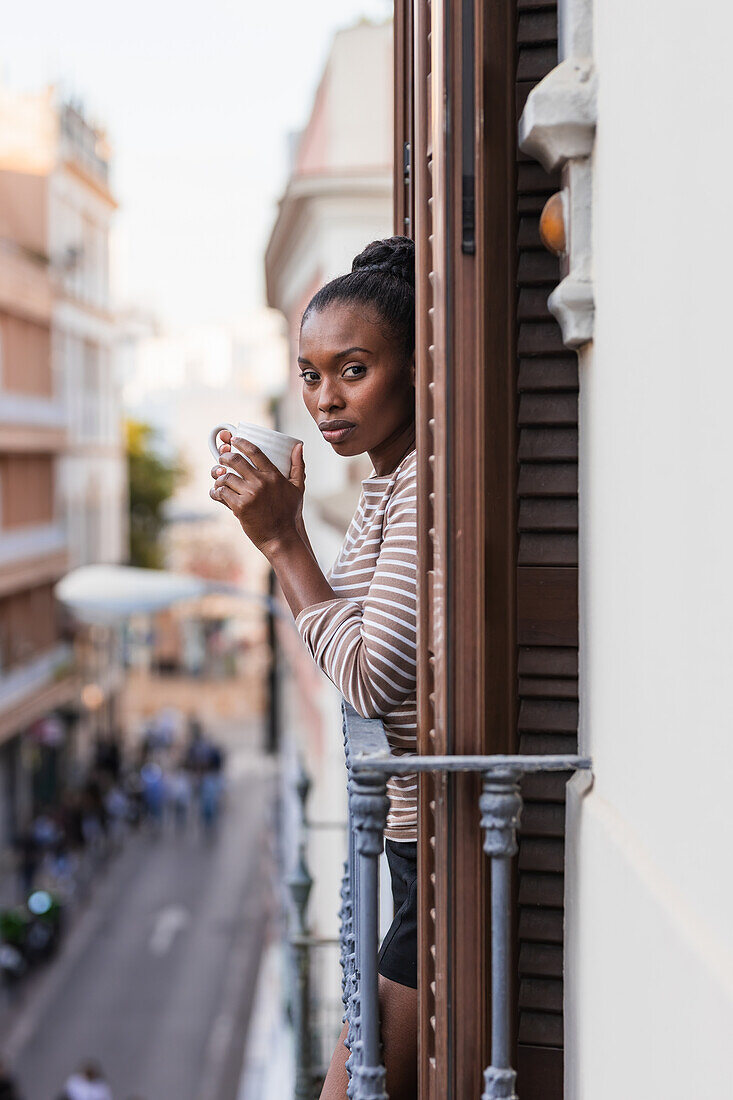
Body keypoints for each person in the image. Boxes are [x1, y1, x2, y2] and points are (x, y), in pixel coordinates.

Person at [210, 236, 418, 1099]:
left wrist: (282, 542)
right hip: (413, 842)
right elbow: (354, 640)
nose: (324, 400)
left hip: (430, 851)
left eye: (354, 370)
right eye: (309, 373)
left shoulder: (424, 487)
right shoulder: (386, 485)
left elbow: (371, 675)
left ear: (418, 365)